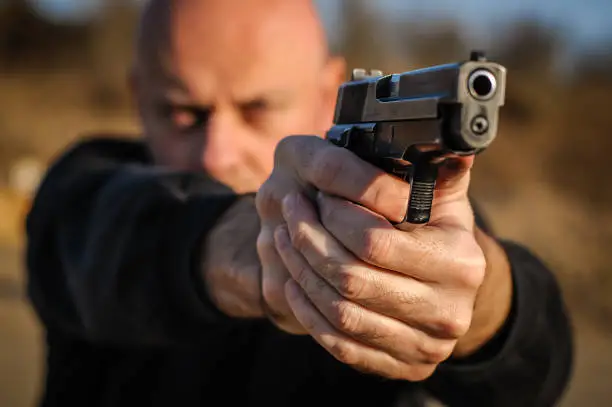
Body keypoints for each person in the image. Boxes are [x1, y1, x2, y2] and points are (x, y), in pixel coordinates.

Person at [25, 0, 573, 406]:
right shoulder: (83, 191)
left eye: (258, 108)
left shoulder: (406, 215)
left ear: (327, 91)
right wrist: (262, 249)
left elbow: (538, 362)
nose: (217, 153)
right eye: (183, 112)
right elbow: (112, 237)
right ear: (137, 96)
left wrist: (478, 306)